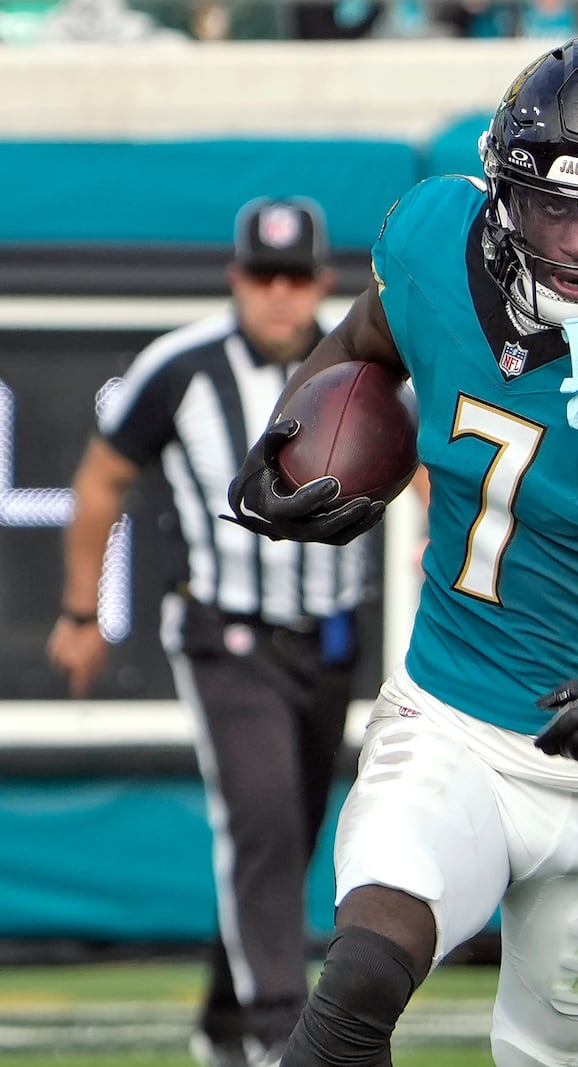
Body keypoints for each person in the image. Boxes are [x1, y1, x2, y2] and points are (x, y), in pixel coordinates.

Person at [224, 35, 578, 1067]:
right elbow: (360, 348)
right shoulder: (437, 242)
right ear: (500, 188)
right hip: (447, 718)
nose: (576, 244)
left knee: (555, 1060)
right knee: (349, 995)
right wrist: (289, 439)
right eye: (551, 207)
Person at [48, 196, 364, 1067]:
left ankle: (224, 1022)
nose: (278, 296)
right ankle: (277, 1030)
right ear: (236, 280)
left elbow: (413, 463)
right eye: (263, 277)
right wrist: (81, 612)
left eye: (294, 278)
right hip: (225, 632)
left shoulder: (359, 367)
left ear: (319, 283)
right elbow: (102, 478)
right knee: (261, 820)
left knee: (293, 830)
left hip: (330, 635)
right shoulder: (181, 365)